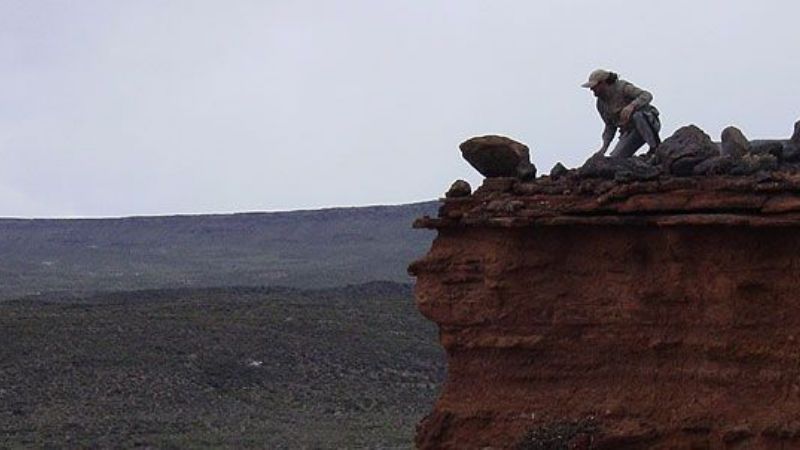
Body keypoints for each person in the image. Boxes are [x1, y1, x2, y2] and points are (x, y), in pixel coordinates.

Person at [582, 69, 661, 158]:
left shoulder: (622, 87)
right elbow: (610, 126)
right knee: (615, 158)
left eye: (594, 86)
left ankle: (656, 149)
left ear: (603, 83)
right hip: (629, 131)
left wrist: (631, 106)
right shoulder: (601, 104)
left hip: (648, 122)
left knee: (638, 116)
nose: (592, 89)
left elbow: (647, 95)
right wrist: (604, 147)